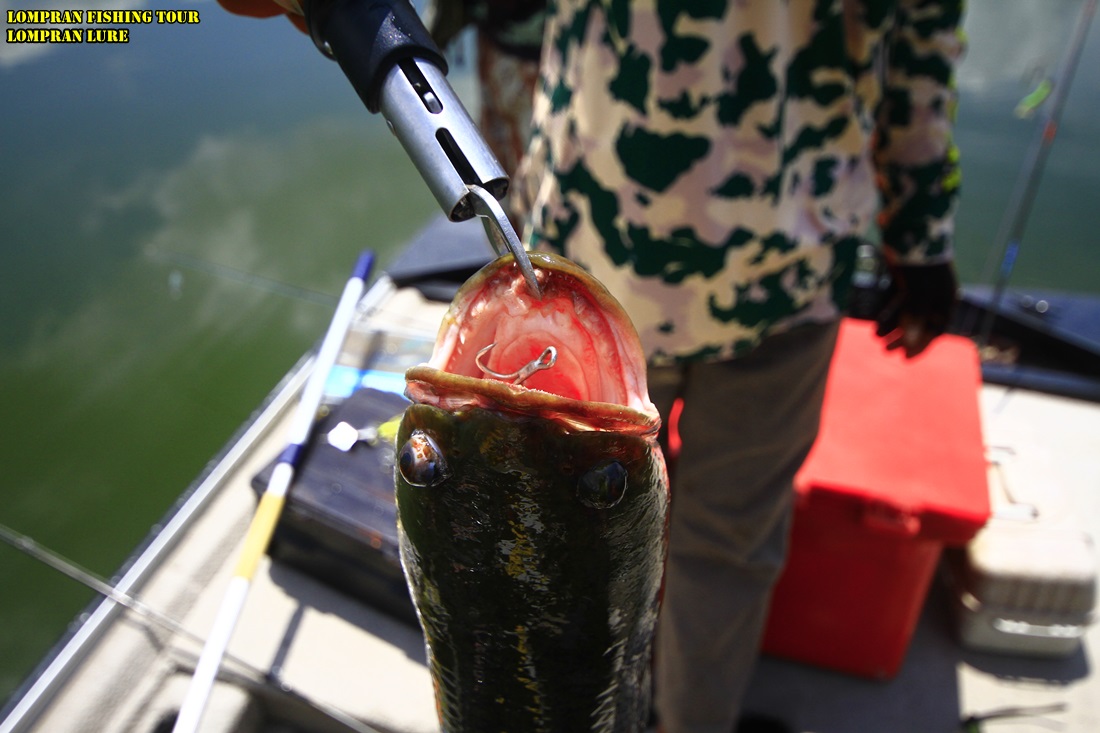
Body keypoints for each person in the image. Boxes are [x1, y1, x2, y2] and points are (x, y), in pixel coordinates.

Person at [221, 2, 965, 732]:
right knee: (727, 547)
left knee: (643, 544)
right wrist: (922, 233)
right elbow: (920, 43)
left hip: (596, 246)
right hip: (780, 265)